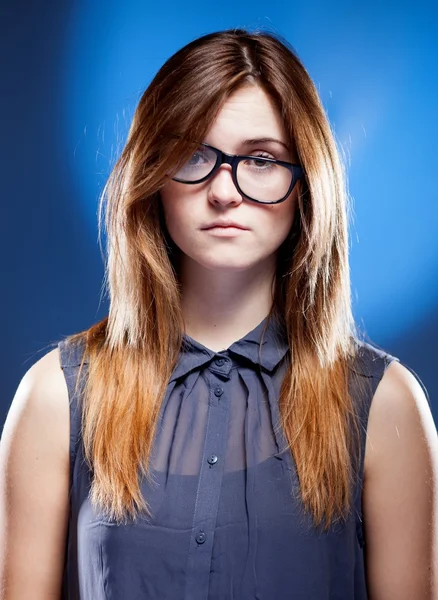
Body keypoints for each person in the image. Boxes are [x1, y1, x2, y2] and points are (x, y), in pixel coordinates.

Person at [0, 28, 437, 600]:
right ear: (153, 175)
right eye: (194, 154)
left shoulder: (385, 404)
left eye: (261, 158)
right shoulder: (56, 396)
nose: (224, 190)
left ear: (305, 183)